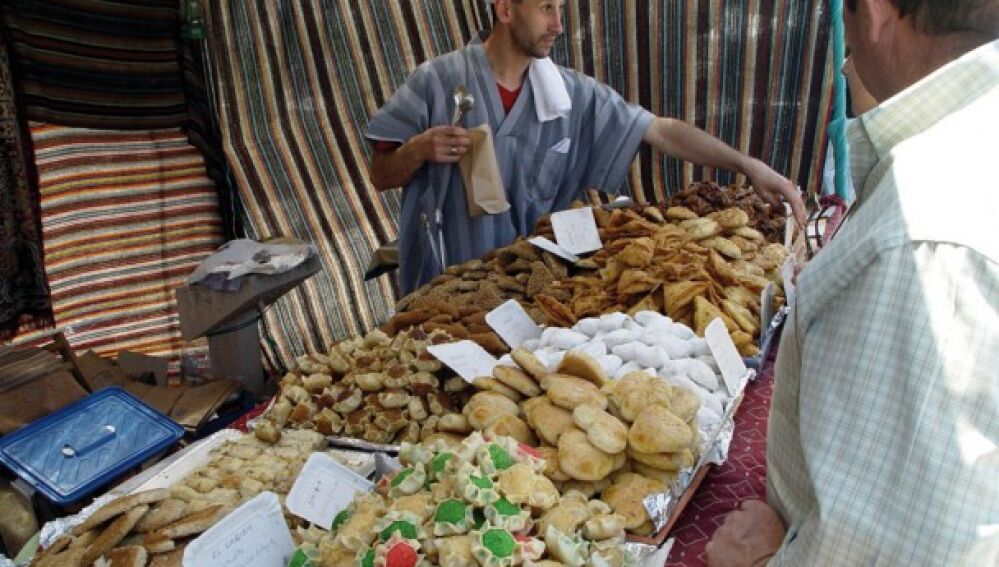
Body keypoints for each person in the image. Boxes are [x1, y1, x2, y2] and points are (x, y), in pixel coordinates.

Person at [706, 0, 999, 565]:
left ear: (873, 13)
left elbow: (906, 548)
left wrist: (765, 559)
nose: (845, 65)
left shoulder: (924, 237)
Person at [366, 0, 803, 295]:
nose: (558, 24)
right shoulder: (436, 83)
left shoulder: (569, 96)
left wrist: (746, 164)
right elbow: (381, 174)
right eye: (545, 8)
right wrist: (417, 151)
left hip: (522, 289)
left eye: (561, 8)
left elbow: (662, 131)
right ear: (504, 9)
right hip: (438, 288)